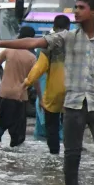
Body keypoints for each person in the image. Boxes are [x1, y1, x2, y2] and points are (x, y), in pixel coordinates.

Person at [0, 0, 94, 185]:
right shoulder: (66, 38)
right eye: (75, 7)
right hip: (73, 104)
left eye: (80, 7)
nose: (75, 11)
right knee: (71, 156)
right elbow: (34, 41)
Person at [23, 15, 70, 155]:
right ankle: (70, 151)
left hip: (53, 92)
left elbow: (39, 67)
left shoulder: (48, 44)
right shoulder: (76, 42)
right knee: (71, 124)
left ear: (54, 28)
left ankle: (54, 154)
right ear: (68, 27)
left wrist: (27, 82)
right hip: (73, 92)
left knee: (52, 126)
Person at [0, 26, 37, 147]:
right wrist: (41, 97)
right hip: (20, 97)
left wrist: (1, 77)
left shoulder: (8, 51)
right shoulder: (32, 58)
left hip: (4, 93)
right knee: (18, 136)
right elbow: (35, 79)